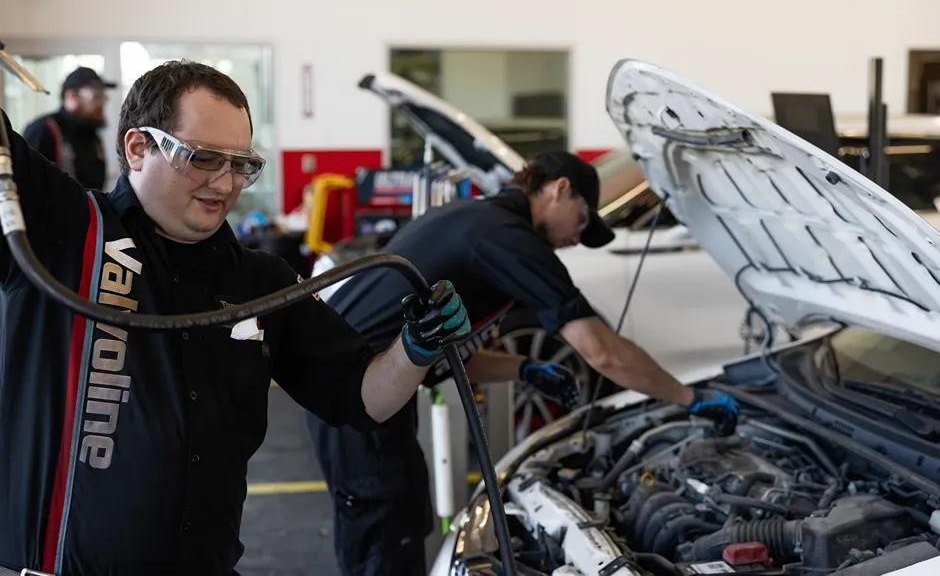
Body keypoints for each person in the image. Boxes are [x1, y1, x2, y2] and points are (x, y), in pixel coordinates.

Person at [0, 60, 473, 576]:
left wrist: (415, 348)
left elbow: (364, 399)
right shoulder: (63, 229)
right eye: (202, 158)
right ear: (138, 148)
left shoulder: (261, 283)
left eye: (240, 164)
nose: (224, 183)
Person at [308, 150, 741, 576]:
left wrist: (524, 369)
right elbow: (602, 351)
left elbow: (452, 357)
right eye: (583, 221)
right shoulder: (508, 238)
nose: (576, 239)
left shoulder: (474, 218)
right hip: (360, 399)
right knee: (385, 537)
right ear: (559, 189)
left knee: (394, 524)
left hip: (358, 390)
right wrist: (688, 396)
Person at [23, 66, 116, 190]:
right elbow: (29, 185)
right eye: (96, 97)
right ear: (71, 96)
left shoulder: (92, 135)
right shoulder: (44, 129)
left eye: (103, 97)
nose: (101, 104)